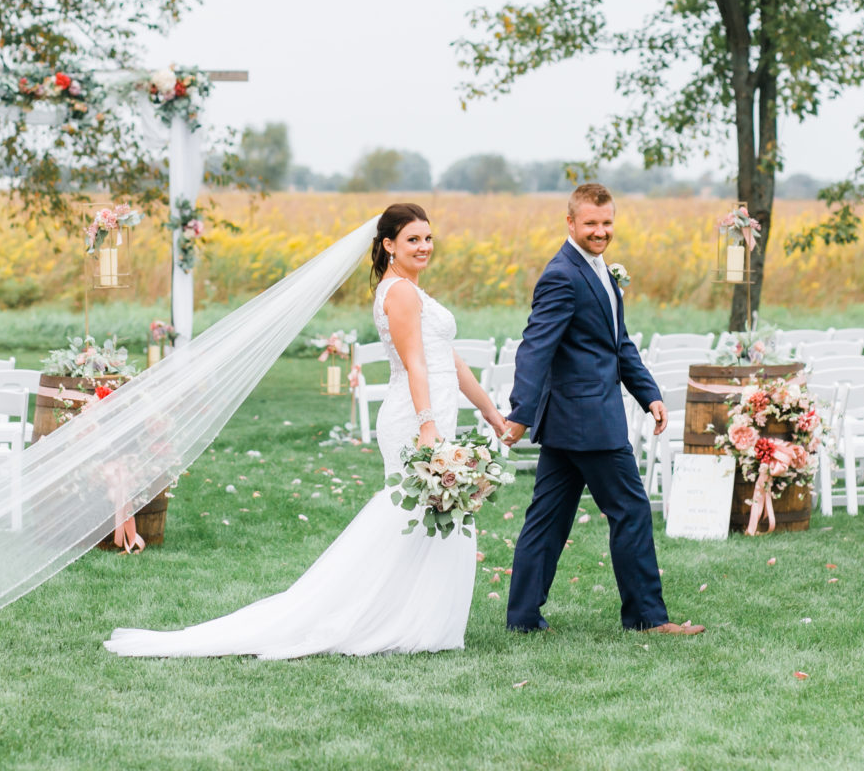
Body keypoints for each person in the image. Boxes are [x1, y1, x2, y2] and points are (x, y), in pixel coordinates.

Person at [105, 203, 508, 658]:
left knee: (429, 518)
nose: (424, 247)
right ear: (389, 245)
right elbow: (415, 363)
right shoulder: (400, 294)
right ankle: (362, 616)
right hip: (415, 419)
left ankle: (411, 619)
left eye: (429, 238)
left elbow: (448, 359)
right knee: (407, 515)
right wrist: (428, 426)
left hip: (432, 413)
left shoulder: (413, 292)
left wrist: (490, 412)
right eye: (413, 239)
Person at [501, 184, 704, 637]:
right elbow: (535, 347)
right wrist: (520, 413)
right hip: (588, 420)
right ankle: (647, 618)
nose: (600, 231)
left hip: (572, 421)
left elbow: (618, 344)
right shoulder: (561, 275)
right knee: (631, 510)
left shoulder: (599, 272)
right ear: (570, 222)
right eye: (591, 223)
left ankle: (523, 618)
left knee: (547, 520)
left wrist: (647, 392)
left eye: (607, 222)